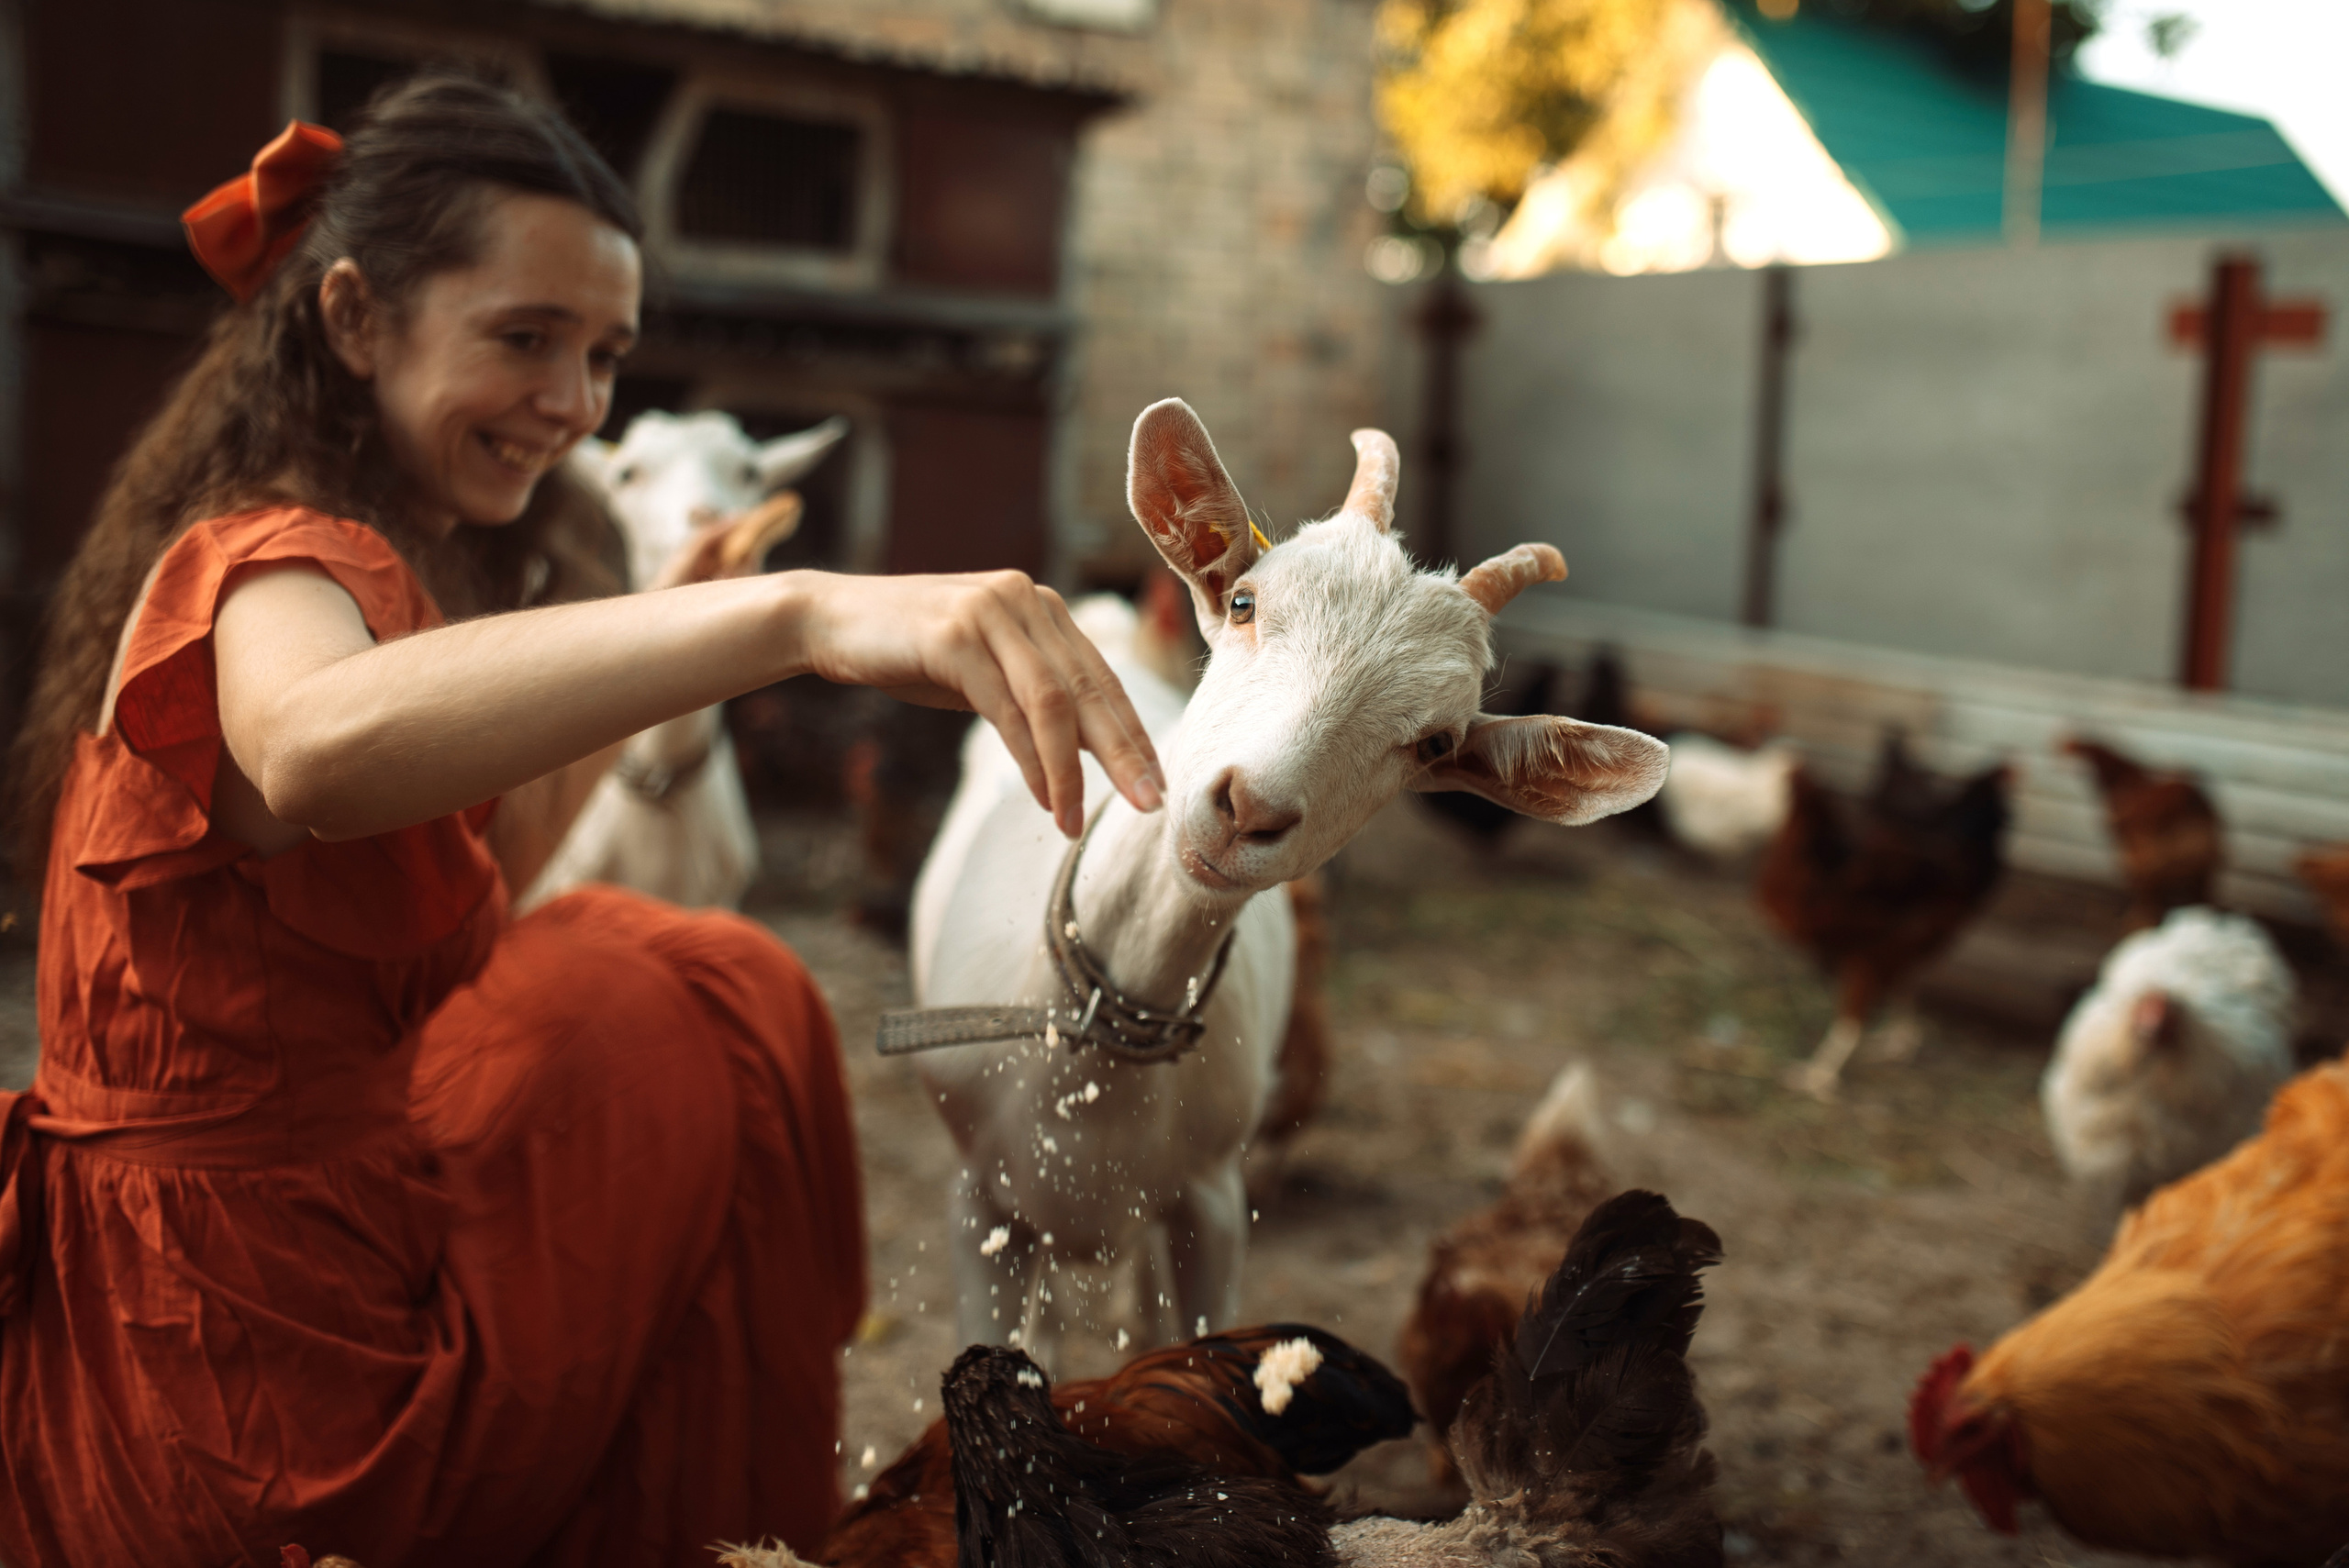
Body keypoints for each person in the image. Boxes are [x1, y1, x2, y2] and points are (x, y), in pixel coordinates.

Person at [0, 76, 1162, 1568]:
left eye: (605, 355)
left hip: (320, 1239)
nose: (575, 403)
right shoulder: (268, 557)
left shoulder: (393, 569)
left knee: (687, 967)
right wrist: (794, 615)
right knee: (705, 995)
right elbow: (312, 748)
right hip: (225, 1358)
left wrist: (663, 630)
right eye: (526, 337)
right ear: (354, 318)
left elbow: (483, 872)